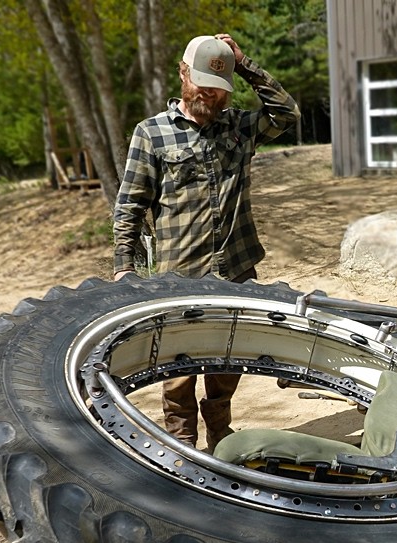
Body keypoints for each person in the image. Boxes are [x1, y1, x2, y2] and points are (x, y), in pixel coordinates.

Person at [112, 33, 299, 451]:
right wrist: (125, 264)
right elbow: (130, 204)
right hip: (179, 277)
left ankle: (218, 431)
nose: (210, 95)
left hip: (234, 271)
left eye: (219, 88)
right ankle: (181, 443)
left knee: (227, 359)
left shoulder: (239, 126)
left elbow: (287, 113)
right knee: (178, 369)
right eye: (201, 84)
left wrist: (244, 62)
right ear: (182, 73)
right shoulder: (152, 133)